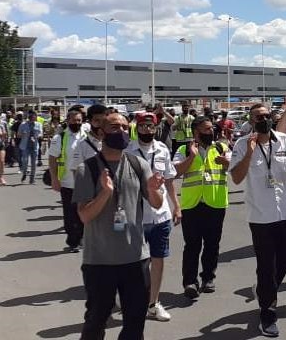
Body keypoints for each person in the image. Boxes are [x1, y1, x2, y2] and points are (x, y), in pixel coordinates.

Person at [74, 112, 165, 340]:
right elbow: (84, 215)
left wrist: (154, 189)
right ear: (101, 132)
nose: (122, 132)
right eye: (115, 127)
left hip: (136, 259)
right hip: (100, 262)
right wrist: (105, 193)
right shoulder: (88, 169)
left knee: (135, 323)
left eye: (125, 127)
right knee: (96, 320)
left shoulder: (137, 163)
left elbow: (156, 203)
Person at [230, 103, 286, 337]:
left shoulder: (284, 139)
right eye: (258, 117)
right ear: (251, 121)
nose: (264, 119)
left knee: (284, 259)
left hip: (285, 212)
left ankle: (263, 290)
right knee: (266, 265)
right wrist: (250, 153)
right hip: (260, 216)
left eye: (266, 115)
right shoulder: (242, 145)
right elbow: (236, 178)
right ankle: (268, 312)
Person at [127, 112, 180, 321]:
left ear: (156, 128)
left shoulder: (163, 149)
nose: (147, 130)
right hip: (136, 216)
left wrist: (177, 207)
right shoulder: (127, 151)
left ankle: (153, 302)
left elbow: (169, 181)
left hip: (160, 215)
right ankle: (130, 297)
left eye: (151, 127)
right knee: (135, 262)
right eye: (143, 126)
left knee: (158, 259)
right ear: (137, 128)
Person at [173, 116, 230, 300]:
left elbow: (235, 168)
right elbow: (176, 172)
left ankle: (208, 278)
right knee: (192, 245)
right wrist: (192, 156)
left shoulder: (221, 147)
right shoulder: (183, 149)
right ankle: (190, 282)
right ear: (195, 132)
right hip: (192, 204)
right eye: (206, 129)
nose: (210, 131)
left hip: (215, 202)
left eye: (211, 128)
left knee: (212, 244)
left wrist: (227, 163)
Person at [49, 109, 89, 253]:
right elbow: (52, 158)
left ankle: (83, 238)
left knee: (85, 212)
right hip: (67, 182)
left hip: (86, 182)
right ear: (67, 120)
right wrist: (54, 178)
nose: (76, 123)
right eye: (73, 120)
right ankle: (73, 241)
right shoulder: (59, 138)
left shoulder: (88, 136)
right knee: (71, 214)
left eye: (79, 120)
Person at [18, 110, 43, 184]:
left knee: (34, 163)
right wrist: (24, 134)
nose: (32, 118)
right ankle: (25, 173)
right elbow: (18, 135)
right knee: (25, 161)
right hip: (25, 145)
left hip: (34, 146)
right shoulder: (23, 124)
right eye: (31, 116)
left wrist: (37, 136)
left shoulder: (38, 124)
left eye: (34, 116)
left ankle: (32, 177)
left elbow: (41, 134)